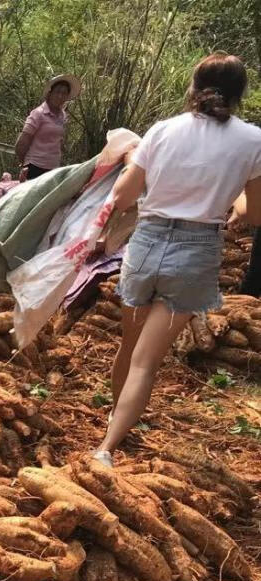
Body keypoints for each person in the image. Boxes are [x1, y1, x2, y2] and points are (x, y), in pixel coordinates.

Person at [92, 53, 261, 466]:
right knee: (146, 363)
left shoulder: (164, 130)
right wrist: (234, 203)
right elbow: (256, 215)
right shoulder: (253, 140)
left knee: (128, 349)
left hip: (146, 243)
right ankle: (106, 448)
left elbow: (123, 197)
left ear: (194, 87)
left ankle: (116, 422)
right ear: (240, 94)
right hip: (196, 251)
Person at [15, 74, 80, 181]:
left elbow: (58, 140)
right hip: (34, 166)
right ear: (50, 93)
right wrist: (24, 163)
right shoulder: (38, 114)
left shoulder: (62, 115)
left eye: (64, 93)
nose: (60, 96)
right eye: (57, 92)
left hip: (53, 168)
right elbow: (22, 142)